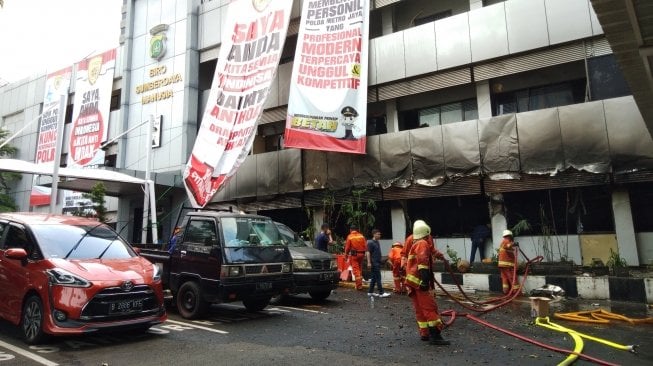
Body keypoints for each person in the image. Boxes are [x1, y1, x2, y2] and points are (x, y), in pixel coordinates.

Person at [404, 220, 450, 345]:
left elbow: (430, 252)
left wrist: (439, 255)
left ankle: (425, 333)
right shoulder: (423, 243)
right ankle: (435, 336)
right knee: (430, 308)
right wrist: (425, 281)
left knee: (420, 309)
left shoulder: (416, 242)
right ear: (426, 232)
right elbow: (423, 263)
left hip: (412, 282)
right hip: (419, 282)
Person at [366, 229, 391, 297]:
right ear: (374, 234)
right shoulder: (370, 242)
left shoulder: (377, 242)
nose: (379, 235)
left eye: (380, 234)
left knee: (374, 278)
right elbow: (368, 252)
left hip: (377, 262)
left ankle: (370, 292)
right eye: (378, 234)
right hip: (374, 263)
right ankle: (381, 293)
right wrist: (369, 262)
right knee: (378, 278)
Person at [344, 225, 367, 290]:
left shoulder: (350, 236)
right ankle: (359, 284)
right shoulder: (361, 236)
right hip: (362, 254)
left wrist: (346, 256)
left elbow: (347, 248)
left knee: (356, 270)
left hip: (355, 255)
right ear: (356, 230)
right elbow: (365, 246)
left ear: (350, 230)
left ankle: (359, 286)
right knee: (360, 269)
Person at [498, 229, 520, 295]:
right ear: (510, 236)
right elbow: (508, 246)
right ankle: (516, 292)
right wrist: (514, 244)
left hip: (502, 265)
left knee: (504, 278)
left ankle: (505, 291)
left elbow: (508, 249)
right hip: (507, 264)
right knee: (512, 277)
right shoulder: (506, 241)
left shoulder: (503, 242)